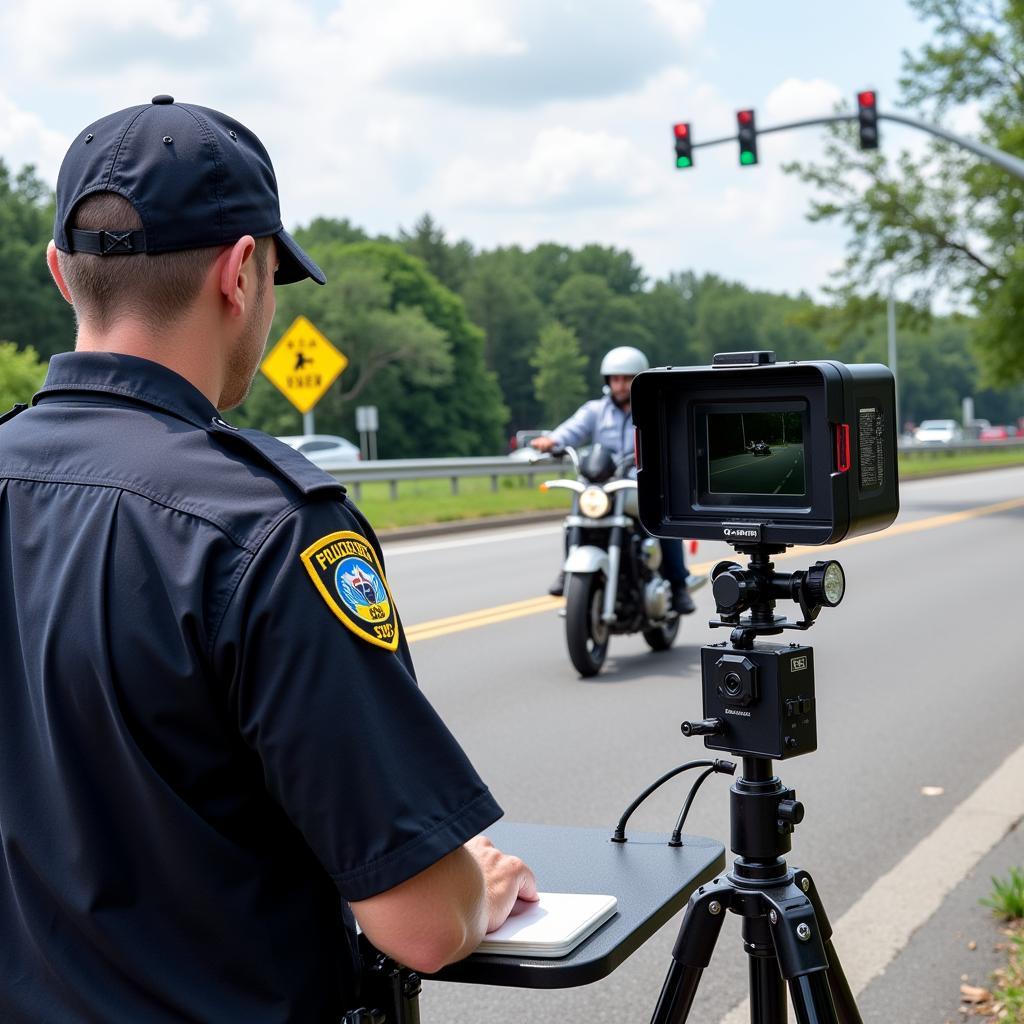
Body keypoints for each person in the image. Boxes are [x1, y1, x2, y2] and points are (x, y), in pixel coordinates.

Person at [0, 96, 536, 1023]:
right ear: (242, 271)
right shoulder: (269, 528)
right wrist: (473, 892)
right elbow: (417, 923)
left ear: (59, 272)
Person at [531, 346, 695, 614]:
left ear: (637, 378)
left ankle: (678, 586)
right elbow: (572, 430)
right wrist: (552, 441)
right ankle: (568, 568)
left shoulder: (652, 409)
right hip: (603, 486)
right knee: (574, 521)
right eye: (615, 379)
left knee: (664, 522)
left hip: (638, 484)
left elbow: (671, 436)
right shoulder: (595, 410)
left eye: (627, 378)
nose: (620, 385)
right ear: (607, 381)